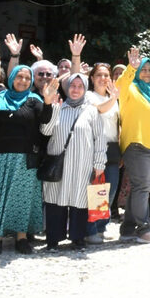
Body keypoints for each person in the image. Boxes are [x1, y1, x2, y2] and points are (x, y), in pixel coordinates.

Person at [0, 64, 57, 255]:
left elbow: (45, 122)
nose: (23, 81)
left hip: (25, 159)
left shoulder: (34, 100)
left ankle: (21, 238)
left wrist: (48, 102)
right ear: (12, 78)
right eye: (19, 77)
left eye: (26, 78)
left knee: (22, 199)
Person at [40, 72, 107, 250]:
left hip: (82, 165)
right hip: (59, 165)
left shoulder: (91, 111)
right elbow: (46, 131)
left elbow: (100, 138)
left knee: (80, 201)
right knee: (55, 200)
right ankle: (53, 239)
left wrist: (99, 163)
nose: (76, 89)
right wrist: (51, 108)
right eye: (72, 86)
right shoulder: (57, 107)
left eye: (80, 86)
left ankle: (78, 238)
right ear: (67, 87)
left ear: (85, 88)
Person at [115, 48, 150, 244]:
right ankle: (144, 228)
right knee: (142, 189)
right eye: (143, 70)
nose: (146, 73)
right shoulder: (130, 89)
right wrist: (131, 67)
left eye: (149, 69)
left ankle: (128, 229)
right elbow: (120, 84)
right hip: (136, 146)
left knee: (138, 188)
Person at [87, 62, 121, 243]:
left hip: (113, 148)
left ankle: (103, 224)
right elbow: (99, 109)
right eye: (99, 75)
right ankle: (92, 229)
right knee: (96, 189)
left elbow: (118, 124)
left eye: (106, 75)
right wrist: (114, 98)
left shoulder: (114, 98)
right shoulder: (88, 96)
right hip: (95, 149)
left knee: (111, 189)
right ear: (92, 78)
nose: (103, 78)